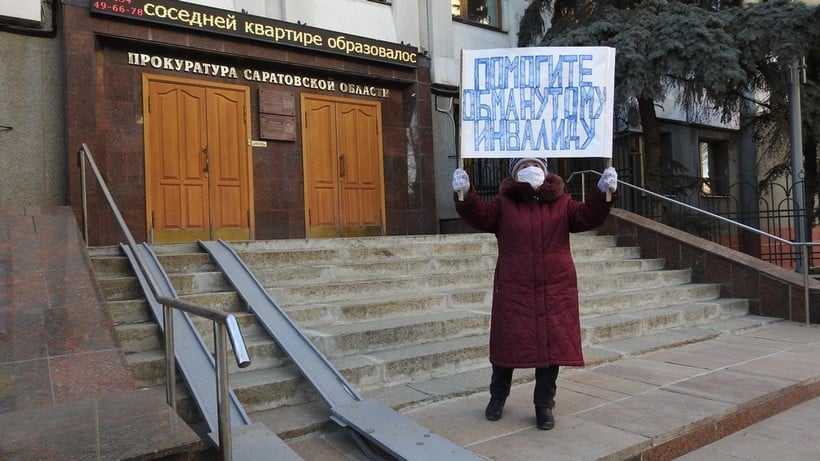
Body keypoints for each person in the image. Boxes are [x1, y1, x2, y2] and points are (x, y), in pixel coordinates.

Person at [452, 158, 618, 430]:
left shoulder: (562, 203)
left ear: (545, 171)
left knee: (550, 351)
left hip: (555, 288)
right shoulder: (504, 204)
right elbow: (480, 216)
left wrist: (603, 193)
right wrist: (465, 194)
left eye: (536, 164)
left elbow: (588, 216)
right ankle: (497, 398)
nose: (532, 169)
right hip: (514, 288)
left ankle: (544, 406)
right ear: (515, 173)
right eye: (524, 165)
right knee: (507, 349)